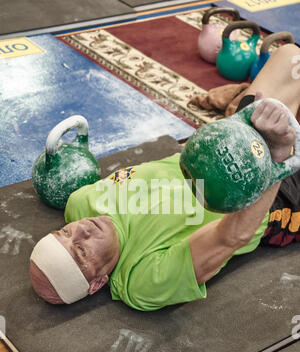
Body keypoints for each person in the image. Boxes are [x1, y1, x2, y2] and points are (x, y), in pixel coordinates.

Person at [30, 44, 300, 311]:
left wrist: (236, 126)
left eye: (65, 232)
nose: (82, 230)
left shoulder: (80, 202)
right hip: (265, 195)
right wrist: (277, 159)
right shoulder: (141, 281)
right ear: (98, 282)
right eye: (81, 251)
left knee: (290, 57)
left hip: (221, 146)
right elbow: (231, 237)